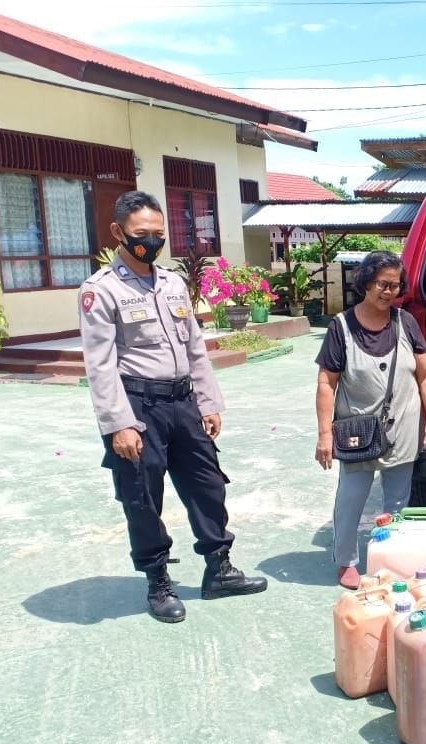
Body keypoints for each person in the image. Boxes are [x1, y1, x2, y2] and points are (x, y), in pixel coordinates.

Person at [78, 191, 266, 624]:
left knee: (208, 484)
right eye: (141, 233)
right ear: (118, 232)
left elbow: (195, 347)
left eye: (158, 234)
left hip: (184, 401)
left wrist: (208, 401)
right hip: (138, 406)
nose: (151, 241)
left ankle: (219, 569)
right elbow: (100, 365)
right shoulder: (101, 291)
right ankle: (158, 581)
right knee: (143, 496)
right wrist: (119, 424)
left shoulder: (173, 283)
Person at [315, 251, 426, 590]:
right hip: (358, 431)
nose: (389, 292)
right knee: (351, 499)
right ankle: (346, 561)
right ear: (366, 283)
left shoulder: (405, 322)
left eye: (395, 286)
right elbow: (326, 383)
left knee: (397, 502)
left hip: (402, 427)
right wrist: (324, 435)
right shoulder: (341, 327)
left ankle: (389, 556)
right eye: (383, 284)